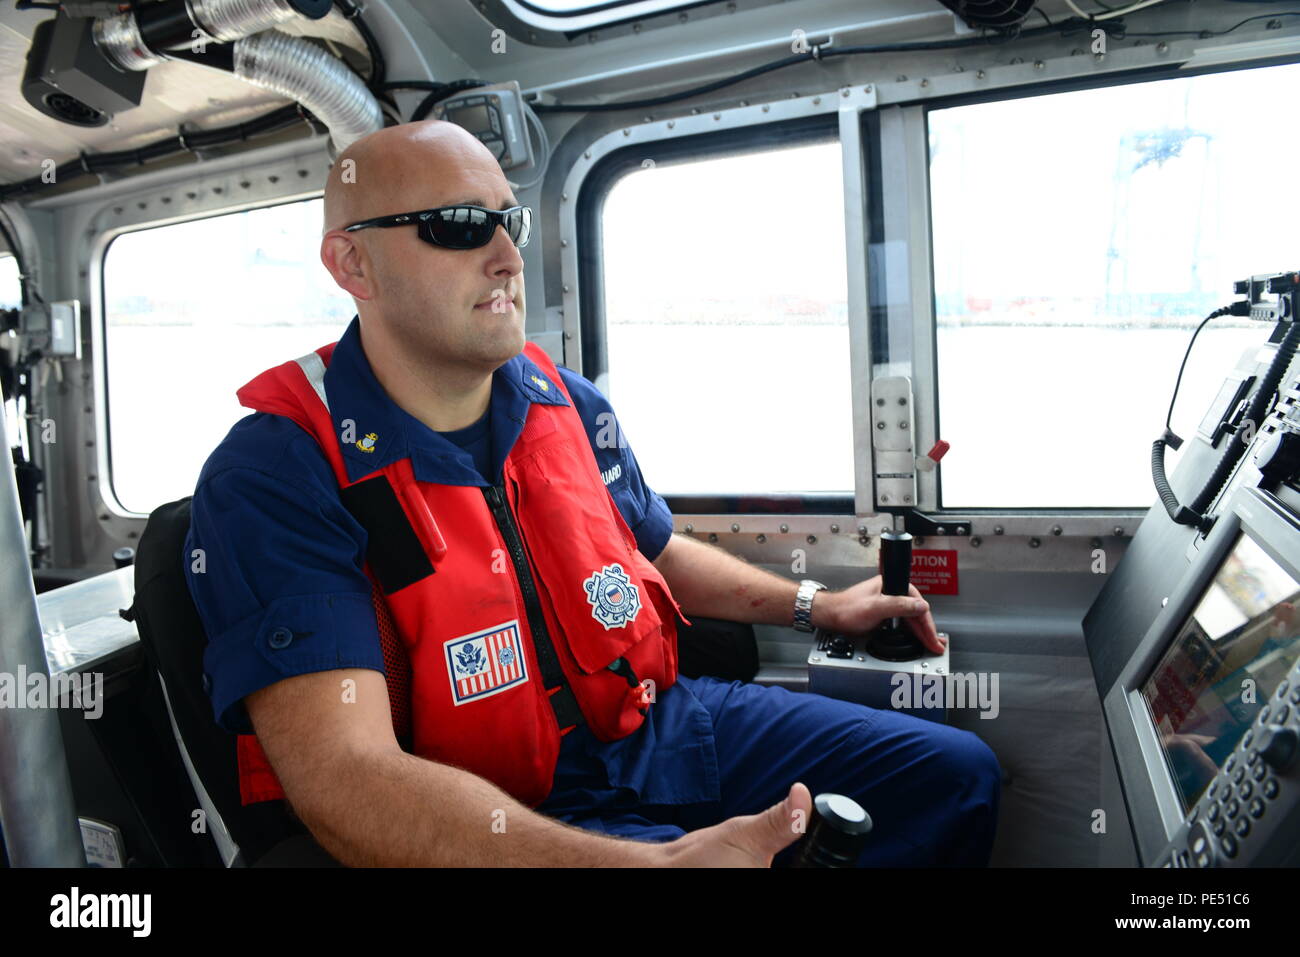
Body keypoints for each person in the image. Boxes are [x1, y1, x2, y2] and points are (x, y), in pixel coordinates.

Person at [184, 119, 1000, 867]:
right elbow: (346, 783)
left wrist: (818, 606)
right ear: (351, 262)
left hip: (658, 727)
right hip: (498, 802)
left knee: (955, 774)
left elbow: (653, 550)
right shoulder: (277, 471)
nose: (506, 255)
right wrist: (652, 864)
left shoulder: (565, 403)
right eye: (461, 227)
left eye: (512, 221)